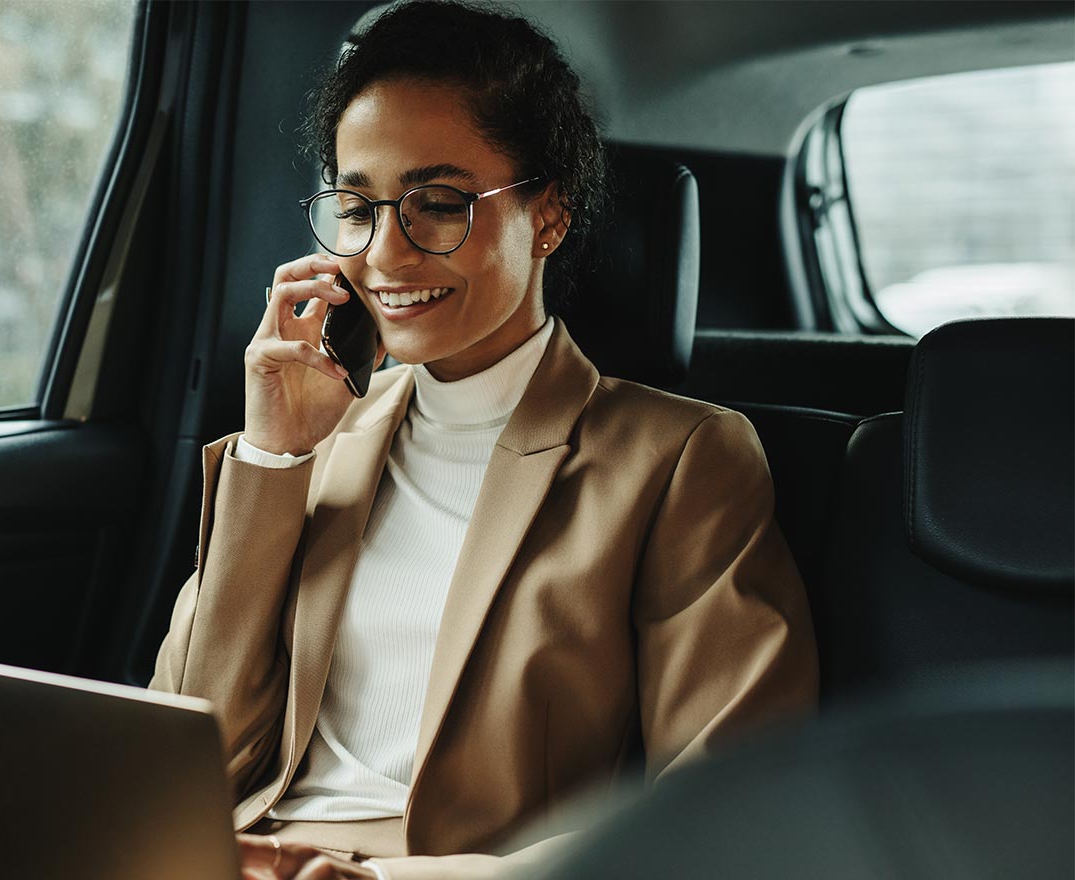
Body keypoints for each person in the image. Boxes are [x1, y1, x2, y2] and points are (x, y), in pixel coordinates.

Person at [149, 2, 818, 878]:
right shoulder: (321, 437)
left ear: (548, 217)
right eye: (358, 207)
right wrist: (276, 456)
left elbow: (728, 809)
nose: (384, 254)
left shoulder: (681, 458)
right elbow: (193, 759)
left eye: (437, 205)